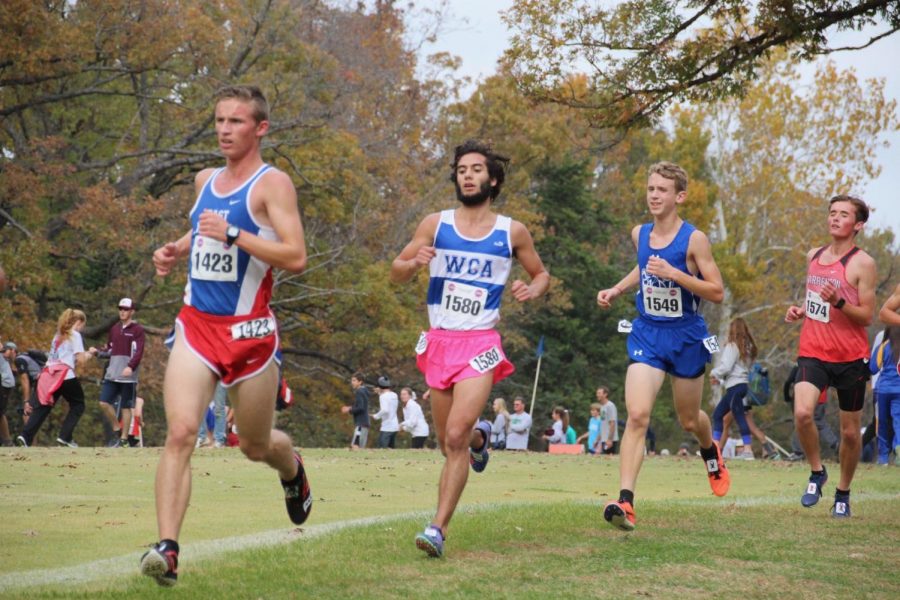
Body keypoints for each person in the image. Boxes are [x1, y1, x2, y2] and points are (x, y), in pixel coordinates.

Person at [142, 85, 312, 586]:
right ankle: (167, 549)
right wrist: (175, 248)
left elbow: (296, 256)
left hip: (251, 335)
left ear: (260, 128)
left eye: (236, 121)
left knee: (254, 445)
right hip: (197, 327)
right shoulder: (205, 178)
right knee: (180, 432)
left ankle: (291, 468)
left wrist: (235, 235)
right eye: (219, 120)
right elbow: (205, 227)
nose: (223, 129)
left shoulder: (272, 184)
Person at [390, 139, 549, 557]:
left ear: (492, 179)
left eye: (476, 169)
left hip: (481, 342)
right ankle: (482, 441)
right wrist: (413, 263)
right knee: (449, 443)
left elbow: (541, 274)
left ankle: (437, 529)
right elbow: (396, 272)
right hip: (440, 340)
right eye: (462, 169)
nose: (467, 175)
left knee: (455, 434)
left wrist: (530, 288)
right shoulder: (435, 224)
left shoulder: (510, 231)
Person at [596, 161, 729, 531]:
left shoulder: (694, 239)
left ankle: (709, 449)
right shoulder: (640, 233)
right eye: (651, 188)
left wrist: (678, 275)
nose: (654, 195)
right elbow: (644, 267)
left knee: (689, 419)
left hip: (686, 336)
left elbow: (717, 291)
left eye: (662, 190)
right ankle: (625, 501)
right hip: (647, 333)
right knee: (637, 415)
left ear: (679, 196)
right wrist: (618, 288)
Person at [784, 195, 876, 518]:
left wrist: (839, 301)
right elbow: (815, 302)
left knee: (850, 433)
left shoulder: (862, 263)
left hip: (850, 357)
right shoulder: (814, 256)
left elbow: (866, 316)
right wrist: (800, 310)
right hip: (813, 351)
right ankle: (816, 471)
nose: (835, 219)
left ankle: (843, 493)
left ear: (858, 224)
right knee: (803, 414)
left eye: (843, 215)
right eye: (832, 213)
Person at [17, 309, 95, 447]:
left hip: (49, 375)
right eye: (83, 325)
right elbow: (81, 359)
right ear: (79, 322)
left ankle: (25, 436)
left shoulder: (58, 335)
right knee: (78, 404)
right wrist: (90, 353)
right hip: (65, 375)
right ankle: (65, 437)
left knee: (43, 406)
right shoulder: (75, 335)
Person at [92, 297, 145, 448]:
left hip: (128, 376)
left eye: (126, 309)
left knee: (126, 408)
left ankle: (123, 440)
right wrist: (97, 352)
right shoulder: (114, 329)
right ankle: (118, 429)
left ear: (132, 312)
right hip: (112, 373)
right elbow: (110, 349)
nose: (122, 312)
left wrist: (131, 366)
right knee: (103, 402)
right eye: (120, 309)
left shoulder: (138, 330)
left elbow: (139, 352)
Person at [709, 318, 757, 460]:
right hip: (740, 386)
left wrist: (714, 373)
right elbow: (737, 370)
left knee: (739, 416)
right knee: (718, 415)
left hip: (735, 387)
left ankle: (747, 451)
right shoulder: (748, 348)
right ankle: (715, 448)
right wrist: (722, 380)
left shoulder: (732, 346)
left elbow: (726, 367)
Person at [870, 327, 900, 464]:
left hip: (883, 390)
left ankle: (883, 457)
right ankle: (898, 448)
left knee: (881, 423)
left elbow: (873, 368)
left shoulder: (884, 345)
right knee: (897, 421)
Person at [341, 372, 370, 449]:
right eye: (352, 380)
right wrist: (350, 407)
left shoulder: (359, 392)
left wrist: (349, 409)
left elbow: (361, 408)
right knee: (359, 447)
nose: (352, 383)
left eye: (354, 380)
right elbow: (362, 405)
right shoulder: (364, 390)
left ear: (360, 382)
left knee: (355, 447)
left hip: (361, 423)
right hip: (364, 423)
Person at [371, 376, 400, 449]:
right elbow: (388, 400)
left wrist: (376, 416)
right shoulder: (394, 395)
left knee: (382, 449)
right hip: (395, 426)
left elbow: (385, 410)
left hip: (387, 427)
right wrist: (380, 393)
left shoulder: (383, 397)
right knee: (391, 449)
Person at [596, 386, 620, 455]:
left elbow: (612, 423)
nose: (597, 395)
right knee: (605, 460)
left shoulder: (610, 406)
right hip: (604, 439)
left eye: (599, 393)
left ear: (605, 394)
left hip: (610, 440)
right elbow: (603, 425)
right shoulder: (602, 407)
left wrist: (609, 439)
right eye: (597, 393)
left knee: (610, 460)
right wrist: (598, 439)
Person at [0, 342, 15, 446]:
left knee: (0, 412)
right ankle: (6, 440)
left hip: (5, 383)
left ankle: (6, 440)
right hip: (4, 383)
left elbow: (7, 353)